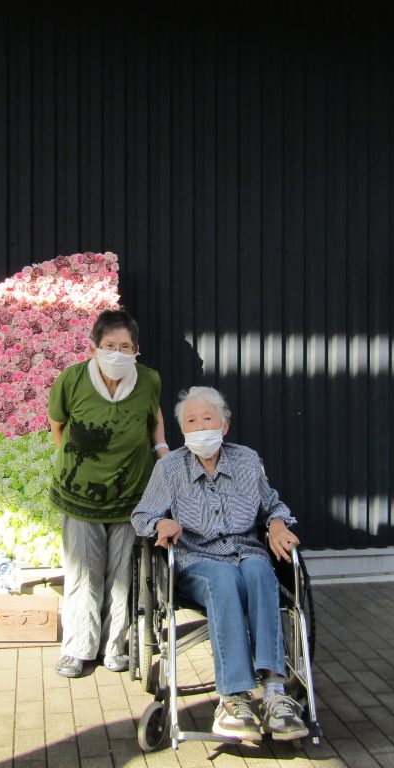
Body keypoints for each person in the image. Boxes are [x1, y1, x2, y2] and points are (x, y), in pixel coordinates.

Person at [131, 386, 308, 742]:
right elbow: (142, 515)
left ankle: (275, 692)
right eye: (191, 422)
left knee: (261, 570)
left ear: (224, 426)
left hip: (247, 554)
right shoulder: (170, 468)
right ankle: (233, 698)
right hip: (198, 561)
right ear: (183, 431)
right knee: (224, 579)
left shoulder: (246, 461)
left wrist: (276, 523)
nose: (199, 427)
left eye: (207, 419)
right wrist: (160, 523)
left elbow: (272, 504)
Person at [49, 308, 169, 678]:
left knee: (123, 575)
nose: (117, 352)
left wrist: (162, 448)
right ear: (93, 347)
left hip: (132, 494)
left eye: (125, 346)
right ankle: (77, 649)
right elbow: (58, 424)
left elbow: (154, 416)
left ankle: (115, 646)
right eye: (108, 345)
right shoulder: (71, 379)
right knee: (84, 572)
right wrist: (72, 462)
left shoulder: (149, 380)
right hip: (79, 496)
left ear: (136, 349)